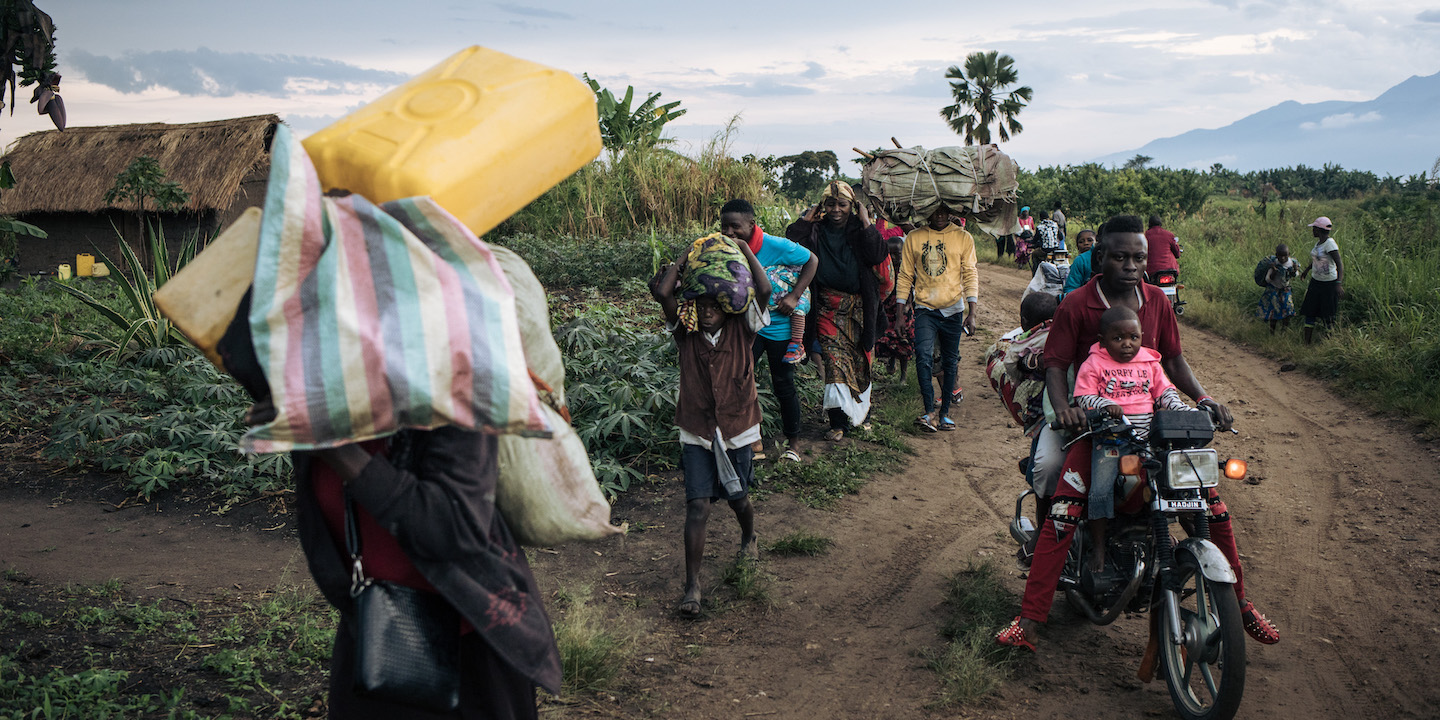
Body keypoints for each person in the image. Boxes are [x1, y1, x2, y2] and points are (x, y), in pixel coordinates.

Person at [215, 291, 562, 719]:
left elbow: (454, 527)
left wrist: (333, 446)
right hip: (377, 635)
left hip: (469, 650)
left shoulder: (452, 381)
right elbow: (243, 345)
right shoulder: (311, 388)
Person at [996, 214, 1280, 652]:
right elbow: (1055, 365)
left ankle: (1239, 604)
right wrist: (1068, 411)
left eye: (1138, 257)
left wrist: (1203, 401)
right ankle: (1032, 616)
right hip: (1093, 422)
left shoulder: (1157, 301)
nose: (1131, 265)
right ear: (1100, 257)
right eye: (1120, 256)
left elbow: (1173, 364)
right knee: (1057, 485)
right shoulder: (1076, 304)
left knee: (1209, 503)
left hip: (1149, 427)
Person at [650, 236, 772, 617]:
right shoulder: (684, 334)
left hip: (737, 426)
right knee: (697, 507)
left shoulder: (744, 327)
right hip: (697, 429)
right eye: (699, 306)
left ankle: (749, 535)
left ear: (726, 306)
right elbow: (665, 294)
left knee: (738, 499)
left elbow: (764, 288)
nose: (706, 312)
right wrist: (688, 252)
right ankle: (692, 586)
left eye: (713, 306)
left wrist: (744, 250)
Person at [1072, 305, 1196, 576]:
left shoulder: (1150, 363)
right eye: (1118, 339)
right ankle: (1100, 547)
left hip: (1147, 440)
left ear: (1142, 337)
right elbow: (1083, 396)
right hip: (1112, 441)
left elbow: (1166, 393)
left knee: (1171, 482)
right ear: (1102, 341)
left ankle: (1158, 535)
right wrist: (1105, 405)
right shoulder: (1094, 363)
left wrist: (1185, 411)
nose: (1127, 344)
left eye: (1134, 338)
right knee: (1100, 489)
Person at [785, 180, 891, 441]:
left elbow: (878, 255)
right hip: (826, 307)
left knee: (857, 362)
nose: (836, 210)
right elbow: (790, 243)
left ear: (851, 206)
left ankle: (856, 412)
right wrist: (806, 221)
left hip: (858, 308)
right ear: (823, 206)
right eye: (830, 204)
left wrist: (866, 221)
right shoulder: (815, 231)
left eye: (842, 204)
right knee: (834, 362)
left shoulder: (859, 229)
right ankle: (838, 423)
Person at [719, 198, 818, 462]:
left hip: (781, 327)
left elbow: (812, 261)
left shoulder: (776, 245)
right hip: (750, 327)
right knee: (741, 379)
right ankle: (752, 440)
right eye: (724, 227)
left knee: (783, 383)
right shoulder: (725, 248)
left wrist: (795, 296)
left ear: (752, 224)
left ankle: (793, 443)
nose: (729, 233)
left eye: (735, 227)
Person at [895, 205, 979, 432]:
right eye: (934, 210)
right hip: (925, 309)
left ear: (951, 211)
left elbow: (970, 272)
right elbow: (905, 275)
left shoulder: (962, 237)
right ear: (926, 211)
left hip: (953, 309)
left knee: (950, 362)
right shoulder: (914, 238)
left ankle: (944, 415)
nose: (939, 215)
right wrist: (900, 312)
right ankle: (928, 411)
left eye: (944, 211)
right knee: (923, 356)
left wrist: (972, 312)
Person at [875, 217, 916, 381]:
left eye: (897, 253)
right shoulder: (884, 270)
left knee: (903, 341)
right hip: (887, 310)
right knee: (888, 339)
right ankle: (891, 362)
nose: (893, 257)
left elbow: (913, 290)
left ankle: (903, 376)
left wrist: (908, 306)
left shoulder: (908, 270)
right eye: (889, 254)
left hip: (904, 311)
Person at [1297, 217, 1344, 344]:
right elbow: (1316, 260)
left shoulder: (1330, 244)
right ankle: (1307, 343)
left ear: (1319, 229)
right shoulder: (1318, 244)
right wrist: (1307, 271)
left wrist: (1338, 284)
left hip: (1328, 284)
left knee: (1328, 315)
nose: (1312, 231)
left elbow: (1339, 264)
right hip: (1316, 282)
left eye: (1314, 228)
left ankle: (1329, 343)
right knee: (1310, 311)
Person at [1258, 243, 1299, 333]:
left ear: (1289, 254)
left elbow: (1295, 275)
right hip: (1274, 289)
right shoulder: (1274, 263)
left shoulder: (1292, 263)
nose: (1283, 258)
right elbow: (1268, 279)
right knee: (1274, 311)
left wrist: (1295, 270)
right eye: (1280, 256)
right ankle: (1272, 331)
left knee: (1288, 310)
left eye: (1285, 256)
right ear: (1277, 255)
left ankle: (1283, 331)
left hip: (1285, 290)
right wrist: (1274, 271)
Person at [1061, 228, 1098, 298]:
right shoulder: (1080, 260)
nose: (1086, 243)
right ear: (1077, 246)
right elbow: (1071, 287)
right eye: (1081, 242)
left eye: (1090, 240)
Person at [1143, 214, 1181, 281]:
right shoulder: (1169, 235)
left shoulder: (1145, 236)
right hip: (1169, 271)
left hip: (1150, 272)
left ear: (1149, 224)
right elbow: (1177, 254)